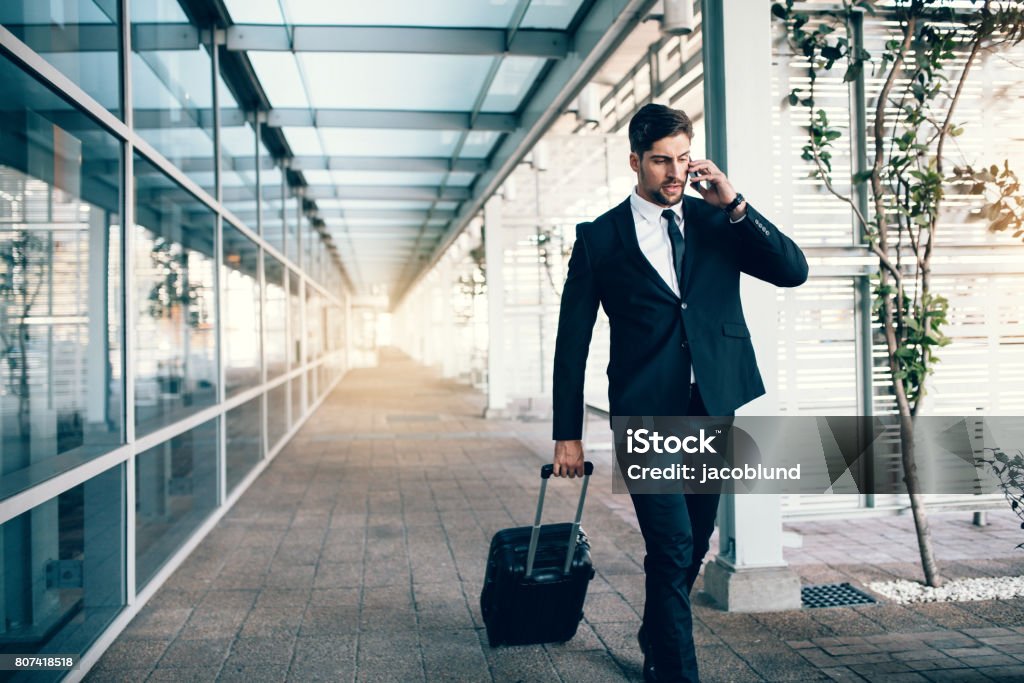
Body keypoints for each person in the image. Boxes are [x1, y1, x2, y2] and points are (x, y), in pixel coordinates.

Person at [549, 103, 808, 682]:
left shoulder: (719, 220)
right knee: (670, 545)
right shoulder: (599, 239)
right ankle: (675, 671)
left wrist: (736, 204)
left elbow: (793, 271)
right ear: (635, 161)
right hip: (645, 409)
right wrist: (567, 433)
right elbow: (572, 341)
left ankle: (654, 633)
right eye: (661, 161)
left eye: (683, 159)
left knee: (695, 542)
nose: (674, 173)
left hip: (711, 403)